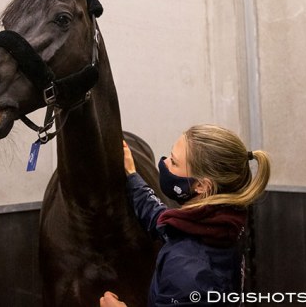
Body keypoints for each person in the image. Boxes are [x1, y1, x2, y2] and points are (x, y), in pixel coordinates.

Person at [100, 124, 271, 307]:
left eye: (174, 162)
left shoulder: (189, 271)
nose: (164, 163)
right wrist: (132, 175)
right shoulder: (220, 223)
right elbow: (164, 222)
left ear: (201, 186)